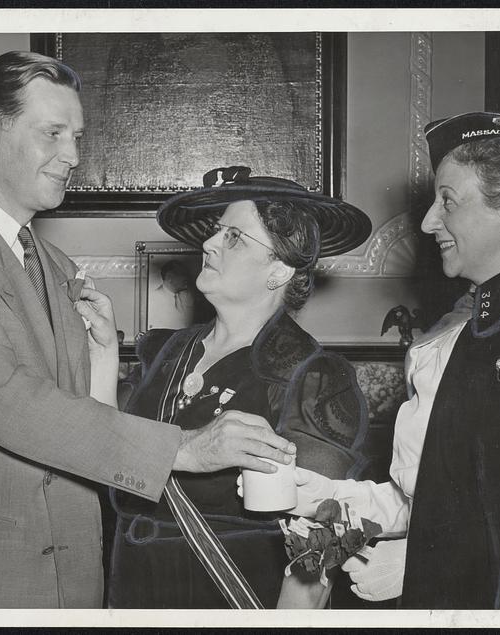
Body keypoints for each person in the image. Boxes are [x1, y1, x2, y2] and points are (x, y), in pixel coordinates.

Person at [0, 52, 296, 609]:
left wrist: (101, 365)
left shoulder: (62, 270)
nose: (72, 156)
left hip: (73, 588)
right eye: (53, 133)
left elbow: (81, 432)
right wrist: (185, 449)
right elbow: (3, 400)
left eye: (76, 136)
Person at [268, 112, 500, 609]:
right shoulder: (475, 334)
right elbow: (461, 503)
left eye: (447, 201)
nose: (429, 222)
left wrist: (421, 562)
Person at [106, 166, 373, 609]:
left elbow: (322, 536)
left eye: (234, 237)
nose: (209, 243)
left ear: (280, 269)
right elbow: (112, 459)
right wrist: (100, 357)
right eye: (215, 232)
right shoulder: (166, 352)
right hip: (132, 591)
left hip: (228, 600)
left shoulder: (313, 377)